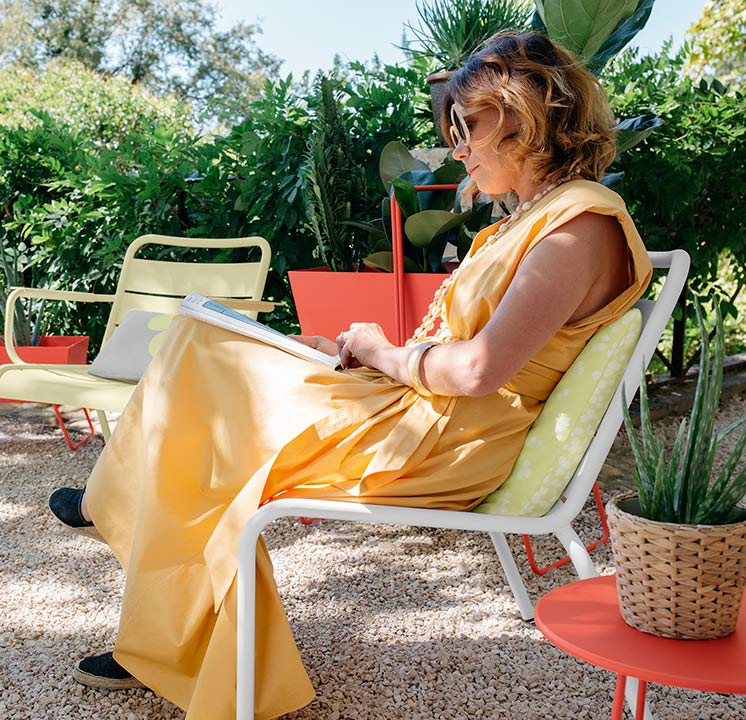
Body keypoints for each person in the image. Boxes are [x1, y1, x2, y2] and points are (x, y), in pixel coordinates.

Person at [48, 31, 652, 720]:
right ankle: (148, 596)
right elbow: (458, 353)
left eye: (467, 127)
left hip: (439, 442)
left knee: (203, 377)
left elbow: (478, 369)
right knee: (207, 344)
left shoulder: (579, 227)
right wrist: (353, 353)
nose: (457, 149)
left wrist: (380, 349)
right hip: (414, 413)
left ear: (527, 114)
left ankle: (116, 512)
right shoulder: (537, 221)